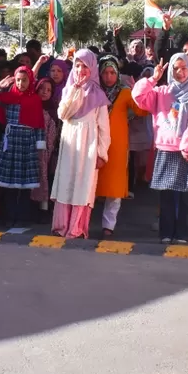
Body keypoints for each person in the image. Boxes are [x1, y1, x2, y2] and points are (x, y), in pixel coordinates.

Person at [134, 53, 188, 244]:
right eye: (176, 68)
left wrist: (187, 146)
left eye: (184, 68)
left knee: (185, 195)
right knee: (166, 194)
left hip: (186, 151)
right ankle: (166, 232)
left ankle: (184, 233)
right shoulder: (161, 92)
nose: (180, 72)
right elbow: (138, 96)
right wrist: (153, 79)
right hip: (164, 148)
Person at [49, 49, 111, 238]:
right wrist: (75, 93)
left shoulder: (98, 96)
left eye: (85, 66)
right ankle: (61, 226)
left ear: (92, 68)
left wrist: (102, 153)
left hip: (88, 148)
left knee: (83, 187)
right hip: (69, 146)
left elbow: (104, 129)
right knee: (66, 183)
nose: (81, 70)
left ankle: (76, 228)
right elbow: (62, 115)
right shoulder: (68, 90)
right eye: (77, 66)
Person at [0, 64, 45, 221]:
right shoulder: (9, 97)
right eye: (18, 80)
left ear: (30, 80)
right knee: (9, 183)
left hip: (27, 143)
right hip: (11, 142)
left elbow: (39, 124)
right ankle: (10, 216)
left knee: (25, 185)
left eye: (24, 80)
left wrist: (40, 144)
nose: (20, 83)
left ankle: (23, 216)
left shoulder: (35, 100)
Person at [95, 56, 142, 236]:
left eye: (112, 73)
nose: (108, 77)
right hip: (95, 144)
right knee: (91, 185)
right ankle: (82, 221)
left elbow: (141, 110)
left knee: (113, 188)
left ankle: (109, 226)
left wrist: (138, 89)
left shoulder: (125, 92)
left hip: (117, 146)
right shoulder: (94, 91)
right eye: (105, 73)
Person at [31, 75, 60, 215]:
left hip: (47, 152)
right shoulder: (30, 107)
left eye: (48, 90)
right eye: (41, 89)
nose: (44, 92)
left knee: (45, 178)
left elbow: (55, 132)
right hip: (30, 149)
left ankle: (43, 209)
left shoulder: (54, 110)